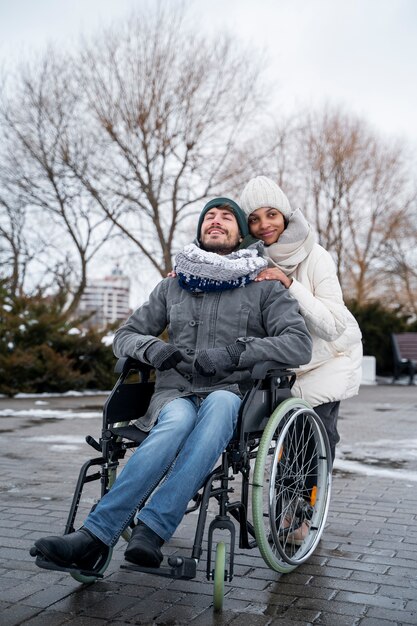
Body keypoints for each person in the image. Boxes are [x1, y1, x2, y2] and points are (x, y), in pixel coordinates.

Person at [31, 197, 313, 571]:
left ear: (241, 234)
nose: (215, 221)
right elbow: (125, 335)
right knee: (176, 421)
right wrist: (153, 350)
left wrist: (236, 353)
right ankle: (94, 537)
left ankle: (151, 528)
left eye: (226, 217)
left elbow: (298, 343)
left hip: (232, 394)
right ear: (200, 229)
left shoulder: (263, 286)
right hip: (175, 392)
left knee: (220, 407)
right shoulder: (173, 285)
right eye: (209, 216)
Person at [240, 176, 363, 464]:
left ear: (284, 215)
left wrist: (290, 284)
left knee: (316, 435)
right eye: (254, 219)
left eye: (271, 214)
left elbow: (333, 326)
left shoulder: (316, 256)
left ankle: (312, 502)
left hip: (330, 359)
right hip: (286, 366)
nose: (264, 225)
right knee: (287, 441)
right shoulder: (248, 261)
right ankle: (288, 504)